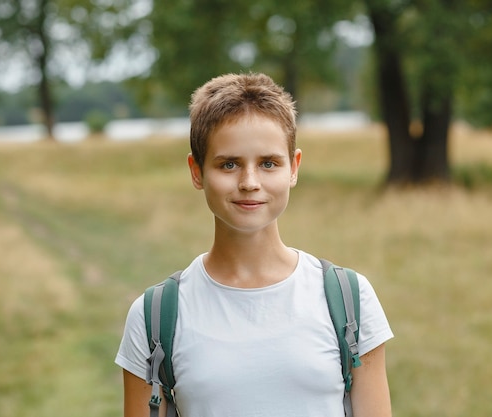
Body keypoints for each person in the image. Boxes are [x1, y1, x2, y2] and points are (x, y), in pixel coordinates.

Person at [115, 72, 394, 417]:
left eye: (268, 163)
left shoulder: (351, 300)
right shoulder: (153, 318)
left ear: (293, 168)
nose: (249, 182)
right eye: (228, 164)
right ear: (197, 171)